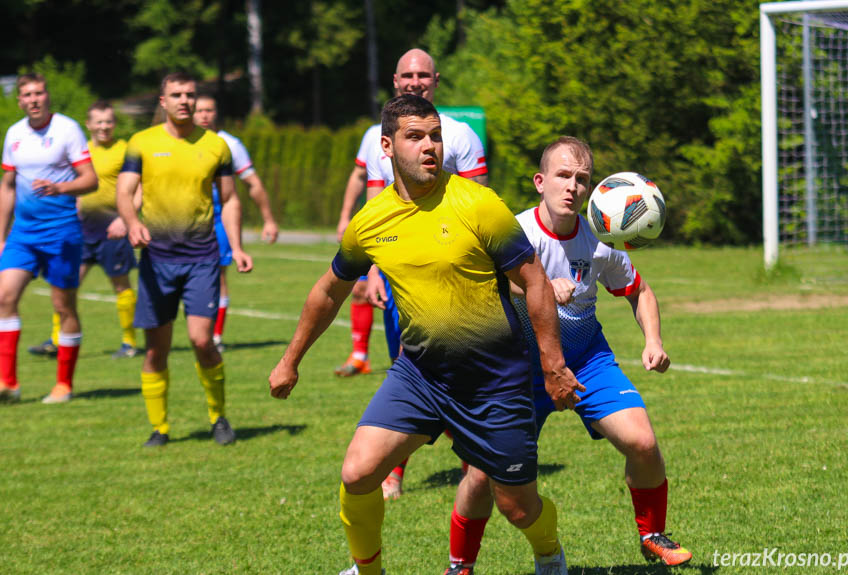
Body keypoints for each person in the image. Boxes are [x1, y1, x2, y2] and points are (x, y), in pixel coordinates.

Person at [270, 95, 583, 575]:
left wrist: (553, 365)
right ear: (387, 146)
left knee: (517, 507)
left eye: (434, 135)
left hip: (494, 380)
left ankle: (549, 553)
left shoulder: (478, 204)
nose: (429, 146)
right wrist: (290, 360)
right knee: (357, 473)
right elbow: (328, 292)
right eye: (415, 137)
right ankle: (367, 570)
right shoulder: (370, 221)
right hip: (420, 375)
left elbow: (535, 282)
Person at [443, 137, 692, 574]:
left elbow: (640, 291)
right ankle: (460, 564)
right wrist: (535, 285)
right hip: (519, 367)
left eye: (582, 179)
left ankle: (652, 534)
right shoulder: (513, 232)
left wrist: (653, 340)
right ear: (540, 182)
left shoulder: (600, 238)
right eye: (563, 176)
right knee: (481, 475)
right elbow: (484, 284)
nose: (573, 187)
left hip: (586, 357)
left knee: (643, 443)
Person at [337, 48, 490, 500]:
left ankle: (475, 466)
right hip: (399, 275)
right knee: (405, 365)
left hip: (454, 277)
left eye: (423, 75)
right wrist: (373, 274)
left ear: (436, 80)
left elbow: (478, 210)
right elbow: (374, 213)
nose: (415, 81)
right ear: (395, 79)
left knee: (460, 372)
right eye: (408, 74)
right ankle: (392, 472)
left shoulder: (460, 136)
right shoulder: (374, 138)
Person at [116, 72, 253, 447]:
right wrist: (131, 224)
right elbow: (125, 191)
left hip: (202, 258)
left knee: (201, 340)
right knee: (156, 350)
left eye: (189, 95)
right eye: (176, 94)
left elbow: (231, 199)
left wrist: (237, 247)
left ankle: (218, 417)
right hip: (156, 260)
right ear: (162, 101)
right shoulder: (141, 143)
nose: (184, 101)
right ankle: (159, 428)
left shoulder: (216, 146)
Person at [0, 73, 98, 404]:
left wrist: (61, 188)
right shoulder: (14, 134)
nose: (33, 99)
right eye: (26, 94)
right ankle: (8, 383)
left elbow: (90, 180)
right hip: (23, 234)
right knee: (4, 296)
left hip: (62, 232)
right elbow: (8, 185)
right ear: (20, 100)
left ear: (47, 96)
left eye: (39, 93)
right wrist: (1, 235)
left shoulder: (67, 130)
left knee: (63, 306)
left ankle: (63, 385)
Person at [27, 100, 140, 360]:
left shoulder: (125, 150)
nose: (104, 127)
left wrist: (127, 219)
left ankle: (129, 342)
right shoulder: (81, 151)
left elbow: (140, 188)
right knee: (65, 283)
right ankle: (57, 341)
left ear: (114, 123)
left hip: (113, 229)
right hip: (81, 231)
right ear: (88, 124)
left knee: (121, 286)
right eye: (98, 122)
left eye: (109, 121)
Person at [193, 94, 279, 352]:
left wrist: (268, 219)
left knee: (217, 276)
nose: (204, 115)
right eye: (200, 110)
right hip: (184, 223)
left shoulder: (229, 144)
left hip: (217, 220)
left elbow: (252, 183)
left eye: (209, 110)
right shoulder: (180, 143)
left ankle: (215, 336)